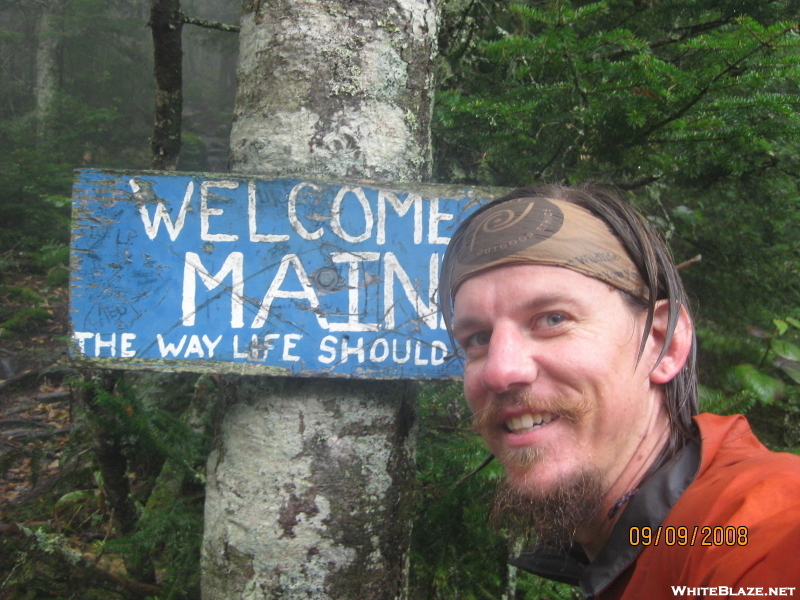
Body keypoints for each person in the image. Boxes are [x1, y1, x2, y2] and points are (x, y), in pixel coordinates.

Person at [439, 183, 800, 599]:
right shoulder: (633, 550)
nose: (500, 372)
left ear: (664, 342)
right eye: (478, 338)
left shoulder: (760, 527)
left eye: (553, 318)